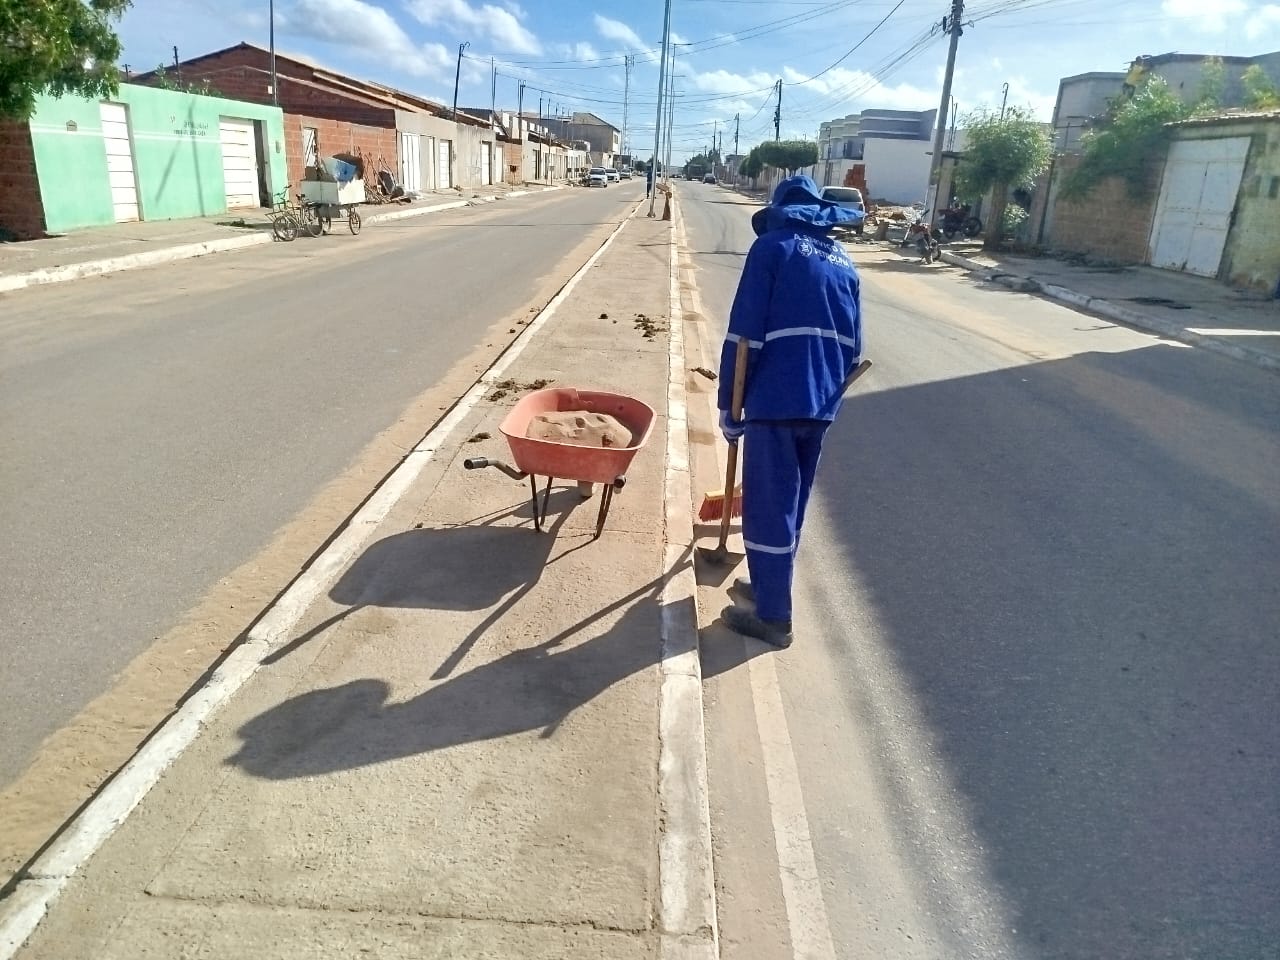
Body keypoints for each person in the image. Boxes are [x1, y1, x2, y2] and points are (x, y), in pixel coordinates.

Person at [716, 175, 864, 648]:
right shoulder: (845, 262)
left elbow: (745, 336)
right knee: (792, 504)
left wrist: (729, 405)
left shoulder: (772, 250)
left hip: (777, 398)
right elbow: (854, 344)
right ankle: (767, 584)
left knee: (767, 505)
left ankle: (774, 618)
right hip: (822, 401)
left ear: (780, 212)